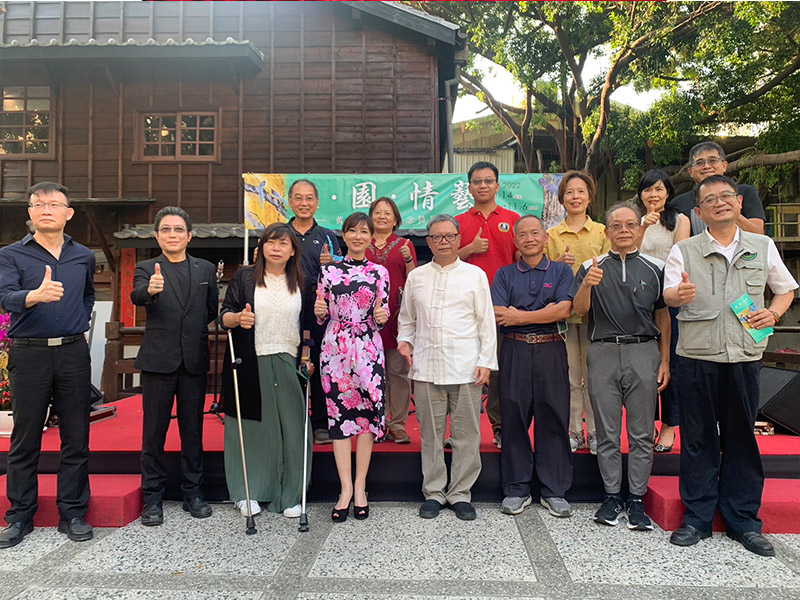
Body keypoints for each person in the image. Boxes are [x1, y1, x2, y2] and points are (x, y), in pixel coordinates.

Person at [664, 174, 797, 557]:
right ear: (700, 211)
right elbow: (669, 293)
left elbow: (785, 289)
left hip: (743, 356)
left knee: (741, 437)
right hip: (696, 356)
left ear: (739, 203)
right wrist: (680, 293)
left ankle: (743, 520)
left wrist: (773, 313)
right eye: (711, 200)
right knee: (698, 438)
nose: (720, 203)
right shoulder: (685, 250)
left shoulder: (762, 244)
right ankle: (697, 517)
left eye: (727, 197)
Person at [0, 182, 95, 548]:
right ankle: (19, 516)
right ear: (30, 212)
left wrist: (80, 320)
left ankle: (72, 511)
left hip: (72, 351)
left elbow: (88, 295)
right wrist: (33, 296)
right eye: (38, 204)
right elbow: (4, 297)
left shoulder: (83, 256)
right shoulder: (11, 255)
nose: (46, 209)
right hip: (29, 352)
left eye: (54, 204)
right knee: (25, 438)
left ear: (68, 213)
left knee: (76, 435)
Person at [571, 201, 671, 531]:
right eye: (617, 226)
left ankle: (637, 499)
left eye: (630, 225)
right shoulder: (591, 266)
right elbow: (578, 311)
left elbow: (662, 315)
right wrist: (587, 284)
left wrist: (665, 359)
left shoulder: (656, 267)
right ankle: (612, 496)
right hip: (602, 352)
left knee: (641, 432)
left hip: (643, 351)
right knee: (607, 430)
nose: (624, 231)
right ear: (607, 231)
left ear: (639, 229)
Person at [397, 214, 497, 521]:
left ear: (458, 239)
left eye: (449, 236)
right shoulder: (417, 277)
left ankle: (461, 493)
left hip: (467, 366)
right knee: (431, 434)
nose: (443, 242)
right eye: (437, 237)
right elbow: (407, 319)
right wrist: (404, 340)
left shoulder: (474, 275)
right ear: (428, 242)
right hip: (427, 366)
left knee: (467, 435)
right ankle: (434, 492)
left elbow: (486, 322)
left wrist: (486, 362)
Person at [131, 206, 218, 526]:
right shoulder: (145, 267)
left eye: (178, 230)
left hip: (193, 360)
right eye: (166, 230)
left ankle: (193, 492)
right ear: (157, 235)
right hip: (158, 361)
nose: (172, 235)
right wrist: (150, 291)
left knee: (192, 431)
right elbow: (137, 295)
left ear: (189, 235)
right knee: (153, 432)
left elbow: (210, 310)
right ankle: (152, 498)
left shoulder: (205, 269)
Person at [219, 223, 312, 518]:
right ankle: (248, 492)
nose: (276, 248)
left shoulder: (302, 281)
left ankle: (292, 494)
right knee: (250, 429)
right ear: (261, 248)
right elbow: (224, 316)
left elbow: (310, 323)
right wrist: (238, 318)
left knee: (293, 429)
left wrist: (308, 355)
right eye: (271, 242)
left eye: (283, 244)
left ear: (293, 250)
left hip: (289, 358)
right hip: (250, 358)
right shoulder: (245, 277)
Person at [491, 215, 575, 518]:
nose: (529, 238)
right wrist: (544, 312)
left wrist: (522, 316)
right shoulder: (504, 274)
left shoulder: (562, 271)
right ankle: (517, 488)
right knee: (513, 418)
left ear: (545, 238)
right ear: (515, 241)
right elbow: (501, 315)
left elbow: (564, 309)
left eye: (535, 233)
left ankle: (554, 490)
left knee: (553, 415)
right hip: (513, 350)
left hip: (551, 348)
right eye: (523, 234)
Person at [314, 212, 389, 522]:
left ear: (371, 236)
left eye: (364, 231)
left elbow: (382, 312)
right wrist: (320, 312)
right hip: (335, 348)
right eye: (352, 231)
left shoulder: (379, 272)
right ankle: (345, 489)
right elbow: (321, 311)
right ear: (343, 235)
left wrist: (382, 318)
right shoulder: (328, 271)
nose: (358, 236)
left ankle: (361, 487)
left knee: (368, 416)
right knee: (340, 416)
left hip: (369, 347)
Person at [455, 161, 520, 449]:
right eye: (477, 181)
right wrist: (468, 250)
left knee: (498, 373)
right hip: (462, 309)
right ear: (468, 187)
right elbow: (443, 258)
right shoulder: (457, 222)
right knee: (462, 370)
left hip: (502, 308)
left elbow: (522, 261)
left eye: (488, 181)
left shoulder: (513, 219)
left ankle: (500, 427)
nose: (483, 186)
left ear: (497, 185)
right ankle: (460, 430)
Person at [546, 171, 611, 455]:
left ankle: (596, 432)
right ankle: (574, 430)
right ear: (562, 198)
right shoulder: (551, 234)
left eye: (581, 191)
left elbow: (610, 271)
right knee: (572, 377)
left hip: (597, 316)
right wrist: (558, 263)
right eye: (570, 192)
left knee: (595, 378)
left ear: (589, 197)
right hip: (564, 317)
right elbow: (543, 276)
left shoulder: (602, 232)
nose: (575, 197)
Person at [635, 170, 690, 453]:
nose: (653, 195)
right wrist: (642, 226)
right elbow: (626, 252)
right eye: (648, 190)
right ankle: (645, 424)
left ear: (668, 192)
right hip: (637, 297)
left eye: (659, 189)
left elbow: (679, 256)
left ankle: (669, 425)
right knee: (643, 363)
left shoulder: (680, 220)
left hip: (668, 295)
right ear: (641, 194)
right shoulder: (634, 220)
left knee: (671, 363)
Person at [286, 179, 341, 446]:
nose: (304, 203)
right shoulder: (280, 234)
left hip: (321, 311)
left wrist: (332, 264)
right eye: (299, 198)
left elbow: (342, 276)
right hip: (286, 308)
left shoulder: (329, 236)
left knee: (320, 364)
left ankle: (320, 423)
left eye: (309, 198)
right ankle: (293, 421)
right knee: (289, 361)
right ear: (290, 202)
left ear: (317, 202)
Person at [366, 197, 417, 444]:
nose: (382, 216)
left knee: (398, 372)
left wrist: (408, 260)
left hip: (397, 317)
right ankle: (375, 423)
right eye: (378, 212)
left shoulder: (405, 244)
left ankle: (397, 424)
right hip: (365, 321)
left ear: (396, 219)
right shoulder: (361, 242)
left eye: (388, 213)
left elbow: (414, 280)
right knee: (372, 373)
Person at [669, 141, 765, 235]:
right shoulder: (678, 203)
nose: (706, 166)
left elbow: (758, 233)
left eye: (712, 161)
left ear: (724, 166)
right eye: (699, 163)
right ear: (690, 172)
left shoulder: (745, 192)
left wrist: (731, 210)